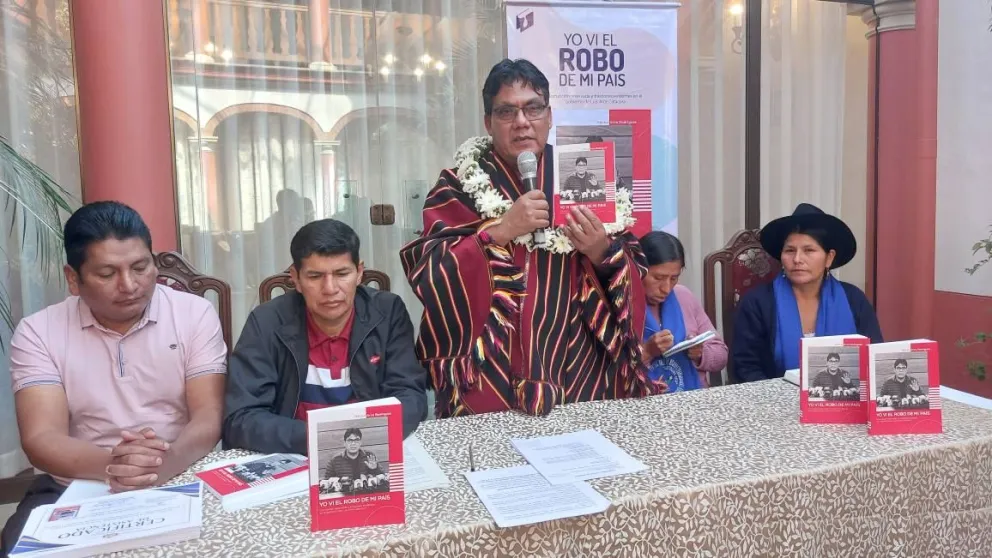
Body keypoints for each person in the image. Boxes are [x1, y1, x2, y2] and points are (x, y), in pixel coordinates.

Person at [399, 58, 661, 419]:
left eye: (532, 108)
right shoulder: (459, 184)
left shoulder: (582, 172)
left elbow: (633, 266)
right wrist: (502, 230)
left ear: (549, 116)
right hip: (492, 367)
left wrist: (601, 250)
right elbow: (431, 273)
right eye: (506, 112)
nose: (522, 122)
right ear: (488, 123)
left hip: (581, 363)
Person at [1, 202, 227, 554]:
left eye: (140, 267)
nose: (129, 285)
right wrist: (114, 465)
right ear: (73, 279)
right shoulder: (39, 332)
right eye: (107, 274)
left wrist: (165, 464)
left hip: (181, 474)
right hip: (76, 481)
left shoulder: (194, 314)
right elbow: (41, 437)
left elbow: (208, 417)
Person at [223, 219, 428, 454]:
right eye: (315, 276)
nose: (330, 289)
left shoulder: (388, 312)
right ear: (296, 278)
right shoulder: (266, 322)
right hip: (296, 455)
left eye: (342, 273)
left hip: (371, 452)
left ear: (359, 272)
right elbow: (241, 417)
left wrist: (364, 437)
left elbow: (410, 396)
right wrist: (325, 439)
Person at [732, 203, 883, 381]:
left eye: (809, 250)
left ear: (829, 257)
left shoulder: (853, 299)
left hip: (845, 400)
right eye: (790, 250)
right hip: (773, 401)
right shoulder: (758, 302)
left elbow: (874, 357)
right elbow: (745, 366)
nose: (797, 259)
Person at [639, 231, 728, 391]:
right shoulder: (620, 306)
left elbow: (721, 355)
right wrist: (647, 352)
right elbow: (608, 375)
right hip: (642, 405)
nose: (666, 288)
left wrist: (701, 353)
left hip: (693, 399)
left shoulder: (683, 296)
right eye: (658, 278)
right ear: (638, 270)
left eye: (674, 278)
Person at [322, 428, 386, 493]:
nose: (353, 443)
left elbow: (383, 478)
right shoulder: (335, 460)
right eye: (350, 440)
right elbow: (326, 482)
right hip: (345, 496)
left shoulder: (369, 456)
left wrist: (375, 469)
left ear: (360, 442)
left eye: (356, 440)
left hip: (367, 494)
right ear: (344, 443)